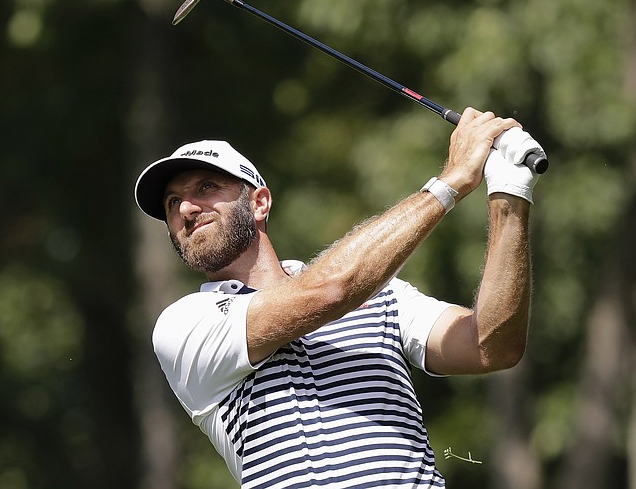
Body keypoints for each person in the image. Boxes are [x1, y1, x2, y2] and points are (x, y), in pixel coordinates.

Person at [134, 108, 545, 488]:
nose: (187, 206)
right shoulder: (184, 324)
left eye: (206, 187)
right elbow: (330, 291)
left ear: (259, 202)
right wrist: (452, 181)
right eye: (173, 202)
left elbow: (490, 346)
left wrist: (509, 193)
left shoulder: (382, 293)